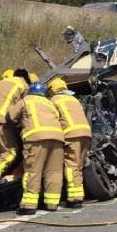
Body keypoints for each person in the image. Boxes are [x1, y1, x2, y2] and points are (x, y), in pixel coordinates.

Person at [16, 82, 65, 215]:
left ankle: (29, 205)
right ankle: (52, 203)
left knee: (33, 171)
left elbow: (11, 115)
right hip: (58, 139)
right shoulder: (50, 103)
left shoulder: (26, 100)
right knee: (54, 172)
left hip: (36, 138)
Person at [48, 77, 92, 208]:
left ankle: (75, 198)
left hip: (71, 135)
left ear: (52, 90)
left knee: (71, 165)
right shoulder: (74, 99)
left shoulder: (53, 101)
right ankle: (78, 193)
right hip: (86, 133)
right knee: (78, 166)